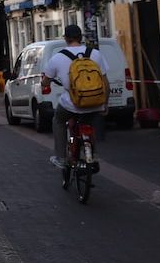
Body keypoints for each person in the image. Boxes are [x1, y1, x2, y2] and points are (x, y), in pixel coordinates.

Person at [40, 24, 110, 169]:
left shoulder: (58, 57)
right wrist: (105, 104)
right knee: (89, 122)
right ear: (81, 38)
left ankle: (60, 157)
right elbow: (105, 84)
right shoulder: (95, 54)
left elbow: (46, 81)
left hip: (72, 104)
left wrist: (45, 83)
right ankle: (93, 154)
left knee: (58, 120)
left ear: (66, 38)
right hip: (95, 103)